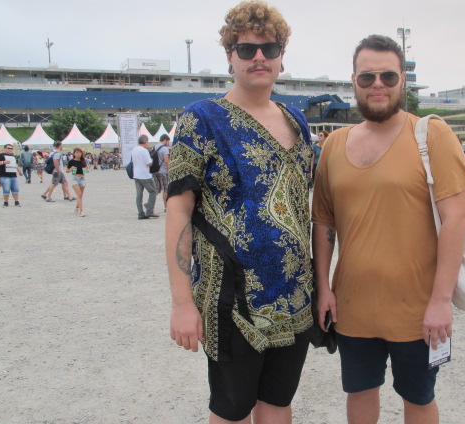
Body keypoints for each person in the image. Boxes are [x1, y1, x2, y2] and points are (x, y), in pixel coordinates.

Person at [312, 34, 465, 424]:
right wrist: (323, 288)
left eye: (388, 75)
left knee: (418, 398)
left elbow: (456, 218)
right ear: (353, 81)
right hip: (353, 305)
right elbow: (323, 222)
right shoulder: (334, 144)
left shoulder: (431, 134)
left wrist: (440, 300)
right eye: (367, 77)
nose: (378, 85)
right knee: (360, 393)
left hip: (417, 309)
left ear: (402, 79)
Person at [166, 3, 313, 423]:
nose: (259, 57)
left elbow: (303, 206)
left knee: (278, 404)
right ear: (229, 56)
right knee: (232, 411)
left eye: (270, 48)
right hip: (231, 297)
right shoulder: (201, 119)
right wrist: (181, 303)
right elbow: (178, 211)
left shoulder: (297, 122)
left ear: (283, 56)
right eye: (246, 49)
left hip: (294, 293)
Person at [131, 135, 158, 220]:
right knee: (153, 191)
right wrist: (152, 161)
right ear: (145, 142)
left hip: (136, 174)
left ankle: (140, 213)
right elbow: (149, 163)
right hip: (145, 175)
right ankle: (149, 210)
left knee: (139, 195)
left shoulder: (134, 150)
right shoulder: (144, 151)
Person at [66, 147, 89, 217]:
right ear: (74, 154)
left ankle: (77, 207)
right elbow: (67, 171)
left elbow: (85, 171)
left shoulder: (83, 161)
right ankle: (80, 210)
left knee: (80, 195)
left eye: (80, 153)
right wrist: (71, 169)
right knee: (78, 194)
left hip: (82, 178)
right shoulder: (71, 161)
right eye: (77, 152)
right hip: (74, 178)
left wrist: (87, 169)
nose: (78, 154)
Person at [152, 134, 171, 211]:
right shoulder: (164, 149)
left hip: (155, 170)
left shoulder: (154, 147)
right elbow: (166, 161)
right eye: (167, 141)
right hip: (163, 171)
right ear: (165, 140)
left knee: (157, 189)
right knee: (165, 189)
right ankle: (166, 207)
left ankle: (151, 206)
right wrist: (169, 169)